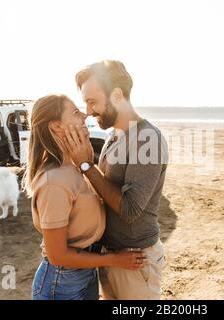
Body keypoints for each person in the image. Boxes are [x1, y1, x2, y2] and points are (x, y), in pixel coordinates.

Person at [23, 94, 145, 300]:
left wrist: (87, 163)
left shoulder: (74, 166)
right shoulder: (54, 181)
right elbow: (57, 255)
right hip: (61, 283)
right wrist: (114, 260)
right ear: (56, 126)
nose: (85, 115)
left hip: (84, 273)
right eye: (75, 112)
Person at [64, 60, 169, 299]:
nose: (88, 111)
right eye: (86, 103)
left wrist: (86, 165)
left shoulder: (147, 139)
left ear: (117, 95)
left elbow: (131, 209)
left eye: (92, 101)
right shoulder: (115, 135)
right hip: (111, 256)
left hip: (135, 261)